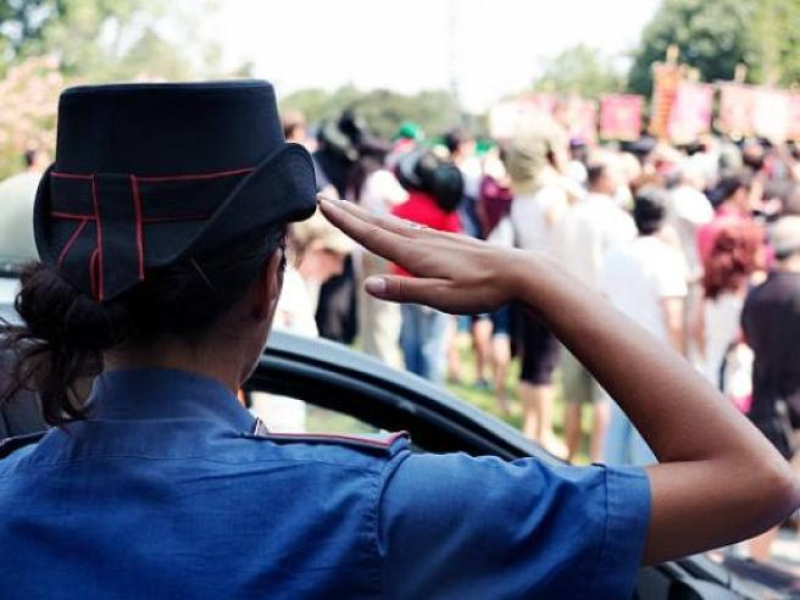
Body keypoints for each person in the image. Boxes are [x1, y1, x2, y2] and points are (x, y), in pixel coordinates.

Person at [1, 81, 797, 599]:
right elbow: (754, 480)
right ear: (268, 285)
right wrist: (533, 279)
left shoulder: (11, 494)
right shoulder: (372, 510)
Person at [555, 153, 636, 463]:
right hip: (604, 315)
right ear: (604, 178)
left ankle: (570, 455)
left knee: (574, 397)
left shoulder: (570, 214)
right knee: (603, 397)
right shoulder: (618, 220)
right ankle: (597, 461)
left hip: (569, 312)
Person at [600, 187, 688, 466]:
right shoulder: (667, 257)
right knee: (648, 434)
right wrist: (680, 362)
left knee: (618, 423)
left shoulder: (616, 253)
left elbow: (601, 302)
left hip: (617, 347)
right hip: (654, 354)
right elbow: (673, 317)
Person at [507, 116, 569, 454]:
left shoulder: (521, 197)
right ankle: (543, 430)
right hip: (548, 285)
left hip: (523, 284)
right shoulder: (553, 194)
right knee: (544, 363)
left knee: (530, 361)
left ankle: (532, 424)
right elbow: (560, 241)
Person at [741, 216, 800, 562]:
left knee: (771, 499)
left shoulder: (758, 293)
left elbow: (748, 338)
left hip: (765, 401)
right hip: (792, 406)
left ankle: (754, 565)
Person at [392, 149, 463, 383]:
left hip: (403, 284)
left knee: (410, 343)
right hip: (435, 285)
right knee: (432, 347)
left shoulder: (400, 208)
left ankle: (413, 391)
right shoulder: (445, 212)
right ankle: (432, 398)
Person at [350, 146, 407, 369]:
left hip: (363, 249)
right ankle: (387, 366)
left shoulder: (358, 178)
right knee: (386, 316)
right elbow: (403, 201)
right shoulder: (382, 178)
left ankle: (370, 362)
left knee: (367, 312)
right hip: (382, 248)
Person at [695, 221, 763, 389]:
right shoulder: (753, 288)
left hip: (711, 368)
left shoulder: (710, 287)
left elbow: (697, 330)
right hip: (741, 377)